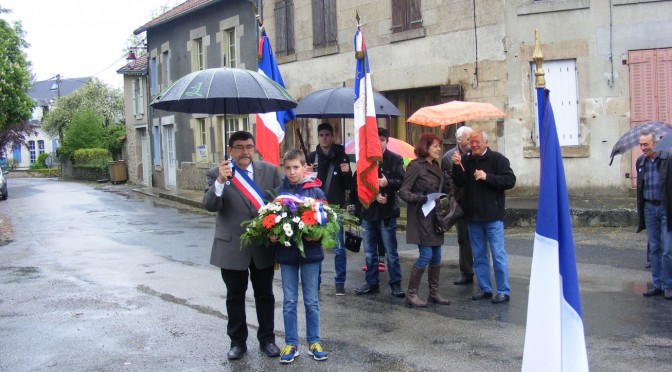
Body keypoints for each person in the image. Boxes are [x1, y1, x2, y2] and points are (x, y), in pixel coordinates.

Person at [202, 131, 282, 360]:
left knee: (265, 295)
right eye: (239, 147)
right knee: (235, 296)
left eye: (249, 146)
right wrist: (220, 181)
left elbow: (279, 203)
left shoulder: (270, 170)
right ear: (230, 150)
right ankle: (237, 342)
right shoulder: (217, 173)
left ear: (254, 148)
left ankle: (267, 339)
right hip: (231, 246)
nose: (245, 151)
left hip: (262, 245)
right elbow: (209, 205)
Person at [270, 149, 329, 363]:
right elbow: (272, 221)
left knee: (311, 301)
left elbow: (328, 223)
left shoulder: (316, 192)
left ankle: (314, 342)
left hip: (311, 255)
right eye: (288, 168)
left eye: (296, 167)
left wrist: (318, 236)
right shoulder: (279, 193)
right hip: (286, 255)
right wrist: (273, 235)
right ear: (283, 169)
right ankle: (291, 343)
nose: (292, 172)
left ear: (305, 167)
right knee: (289, 301)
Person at [451, 129, 516, 304]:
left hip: (493, 216)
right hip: (473, 217)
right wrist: (457, 165)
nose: (473, 145)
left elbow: (510, 181)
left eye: (477, 142)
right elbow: (459, 182)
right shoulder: (467, 159)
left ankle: (503, 290)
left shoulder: (498, 160)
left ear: (486, 142)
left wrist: (487, 176)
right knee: (479, 256)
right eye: (471, 142)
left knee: (498, 255)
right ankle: (485, 288)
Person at [352, 127, 406, 298]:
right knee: (369, 252)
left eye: (382, 139)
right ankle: (371, 283)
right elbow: (358, 185)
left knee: (391, 252)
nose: (379, 142)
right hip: (368, 211)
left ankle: (395, 284)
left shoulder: (395, 159)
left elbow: (402, 182)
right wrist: (373, 197)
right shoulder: (365, 160)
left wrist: (387, 183)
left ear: (387, 141)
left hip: (387, 213)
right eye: (377, 139)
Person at [399, 133, 451, 307]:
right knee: (427, 254)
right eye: (435, 146)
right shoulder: (415, 166)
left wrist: (448, 180)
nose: (438, 149)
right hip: (421, 216)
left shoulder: (436, 166)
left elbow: (442, 189)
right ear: (425, 147)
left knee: (436, 255)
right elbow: (403, 191)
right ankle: (411, 294)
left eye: (439, 146)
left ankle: (434, 293)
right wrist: (419, 198)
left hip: (435, 217)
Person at [308, 123, 353, 296]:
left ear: (332, 136)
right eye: (321, 135)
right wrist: (308, 173)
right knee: (316, 245)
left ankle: (340, 282)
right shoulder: (312, 157)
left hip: (336, 208)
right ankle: (316, 280)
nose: (325, 138)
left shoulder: (341, 156)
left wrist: (347, 172)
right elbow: (306, 185)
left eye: (327, 135)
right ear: (318, 137)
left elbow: (348, 185)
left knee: (338, 247)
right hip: (316, 208)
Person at [636, 132, 672, 300]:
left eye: (646, 144)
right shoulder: (641, 162)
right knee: (654, 249)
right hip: (649, 208)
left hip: (666, 208)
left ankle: (668, 285)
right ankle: (657, 284)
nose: (643, 148)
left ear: (656, 143)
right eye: (641, 144)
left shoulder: (668, 159)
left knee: (667, 250)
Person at [442, 126, 475, 285]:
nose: (470, 142)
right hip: (460, 202)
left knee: (480, 238)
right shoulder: (449, 156)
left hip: (476, 201)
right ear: (459, 139)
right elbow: (448, 180)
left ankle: (482, 271)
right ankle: (467, 272)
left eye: (472, 138)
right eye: (467, 139)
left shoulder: (475, 153)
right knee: (464, 238)